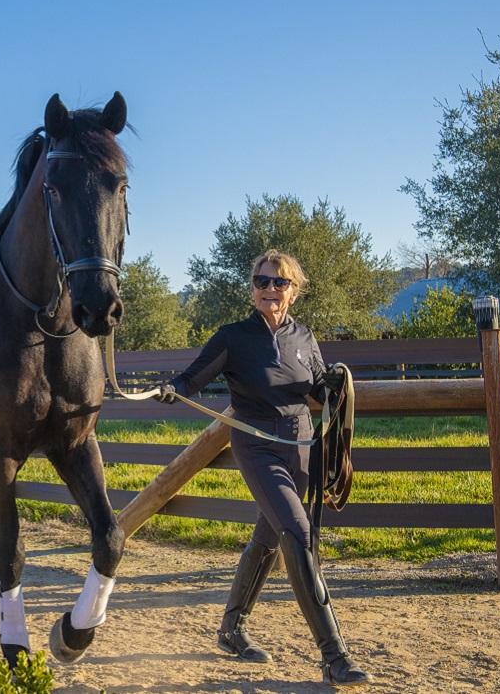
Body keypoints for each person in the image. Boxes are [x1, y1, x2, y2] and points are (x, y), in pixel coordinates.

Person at [157, 249, 370, 686]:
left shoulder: (304, 336)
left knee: (268, 536)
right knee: (298, 532)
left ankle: (231, 630)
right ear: (251, 289)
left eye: (279, 282)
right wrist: (170, 388)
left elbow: (315, 387)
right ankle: (334, 655)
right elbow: (193, 378)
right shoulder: (233, 337)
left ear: (294, 291)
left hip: (303, 443)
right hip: (257, 444)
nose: (269, 289)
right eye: (262, 281)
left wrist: (331, 384)